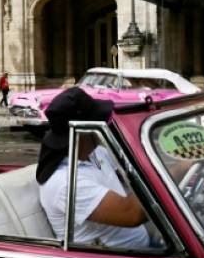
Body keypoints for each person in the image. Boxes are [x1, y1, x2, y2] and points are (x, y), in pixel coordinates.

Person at [36, 87, 151, 249]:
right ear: (83, 130)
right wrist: (178, 172)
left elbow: (134, 173)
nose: (105, 124)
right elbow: (132, 213)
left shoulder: (97, 153)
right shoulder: (64, 182)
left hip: (142, 247)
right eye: (99, 120)